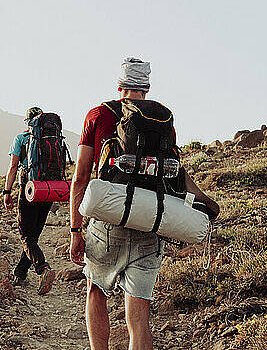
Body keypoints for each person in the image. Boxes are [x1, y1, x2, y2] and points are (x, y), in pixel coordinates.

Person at [70, 58, 219, 350]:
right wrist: (206, 203)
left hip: (109, 221)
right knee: (139, 317)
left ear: (120, 86)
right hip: (151, 220)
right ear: (146, 89)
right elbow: (175, 173)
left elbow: (80, 177)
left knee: (96, 290)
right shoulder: (163, 121)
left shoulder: (98, 115)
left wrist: (76, 229)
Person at [4, 106, 56, 295]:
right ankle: (20, 273)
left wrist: (7, 191)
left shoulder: (21, 138)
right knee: (33, 235)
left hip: (30, 186)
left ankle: (42, 268)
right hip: (49, 188)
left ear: (28, 122)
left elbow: (13, 167)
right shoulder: (53, 139)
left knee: (25, 235)